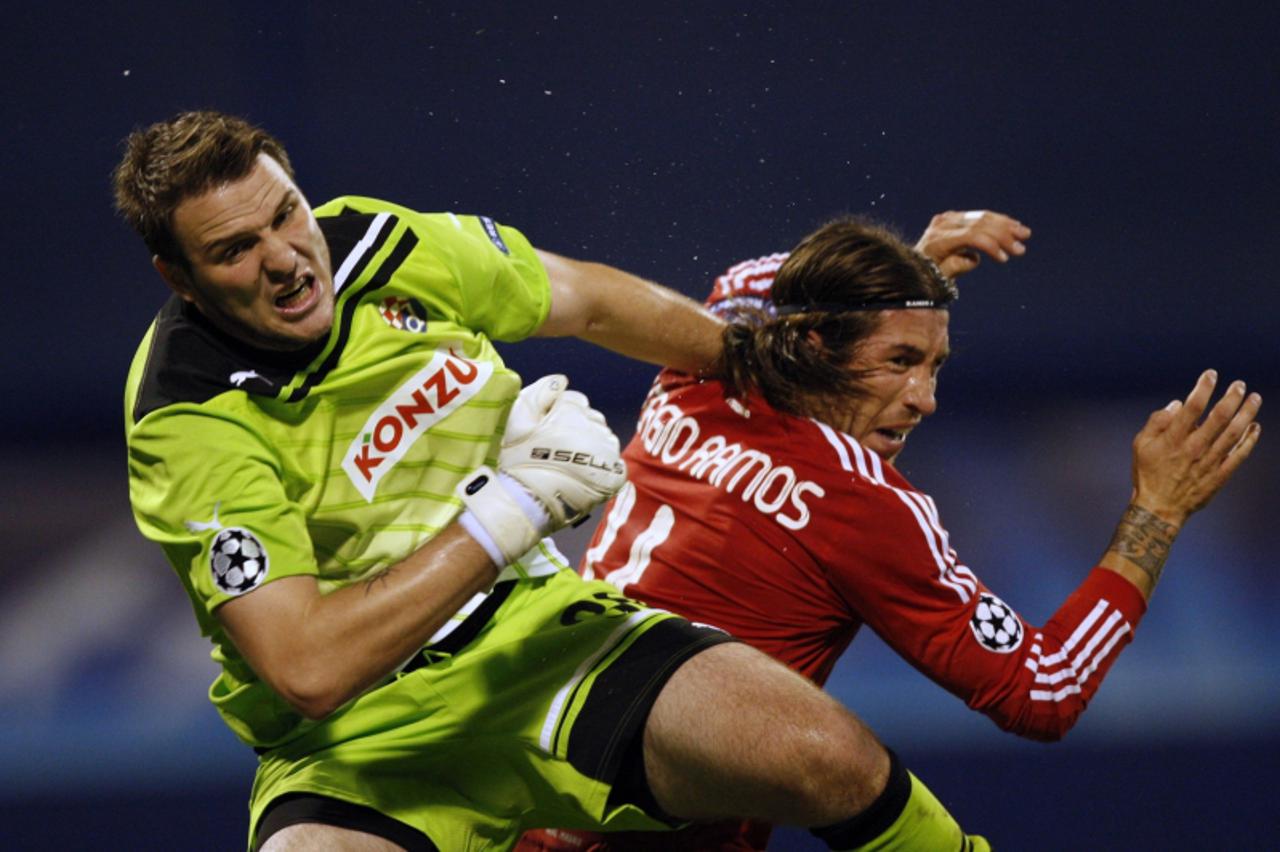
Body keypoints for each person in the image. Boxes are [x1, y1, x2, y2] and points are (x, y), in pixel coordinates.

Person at [116, 110, 992, 852]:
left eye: (287, 214)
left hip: (540, 639)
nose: (285, 258)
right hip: (356, 745)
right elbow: (308, 667)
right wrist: (513, 508)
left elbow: (591, 300)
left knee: (825, 757)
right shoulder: (186, 421)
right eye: (235, 248)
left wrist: (758, 365)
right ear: (178, 278)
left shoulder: (381, 246)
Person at [517, 211, 1262, 851]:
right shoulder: (864, 504)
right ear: (815, 345)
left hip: (518, 777)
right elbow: (1046, 690)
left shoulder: (707, 361)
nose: (925, 399)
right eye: (899, 362)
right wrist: (1156, 512)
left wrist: (914, 266)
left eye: (934, 364)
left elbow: (771, 283)